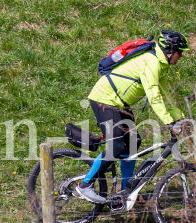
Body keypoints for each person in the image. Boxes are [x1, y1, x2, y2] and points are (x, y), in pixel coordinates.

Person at [75, 30, 189, 204]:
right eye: (180, 53)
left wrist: (180, 118)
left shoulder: (161, 66)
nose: (181, 57)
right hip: (104, 99)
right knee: (118, 144)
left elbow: (167, 95)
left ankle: (126, 191)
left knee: (133, 143)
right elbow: (153, 94)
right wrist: (168, 121)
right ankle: (85, 185)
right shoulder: (151, 62)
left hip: (119, 104)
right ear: (170, 51)